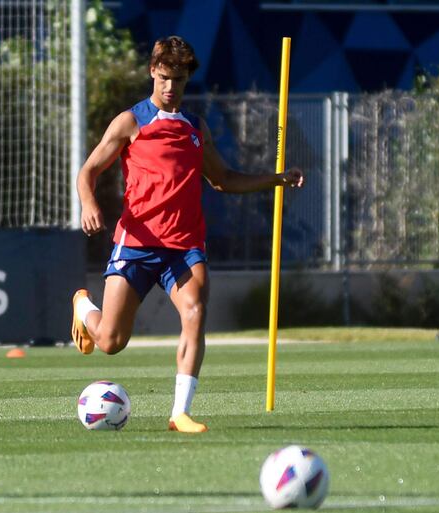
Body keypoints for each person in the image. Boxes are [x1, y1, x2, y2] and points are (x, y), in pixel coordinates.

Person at [71, 35, 303, 433]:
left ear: (186, 80)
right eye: (163, 78)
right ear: (152, 72)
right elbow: (88, 171)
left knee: (195, 311)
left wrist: (275, 179)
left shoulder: (196, 128)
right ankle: (82, 307)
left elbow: (223, 179)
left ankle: (180, 413)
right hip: (137, 244)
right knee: (110, 341)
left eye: (177, 80)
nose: (169, 87)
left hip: (184, 246)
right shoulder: (131, 122)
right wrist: (89, 203)